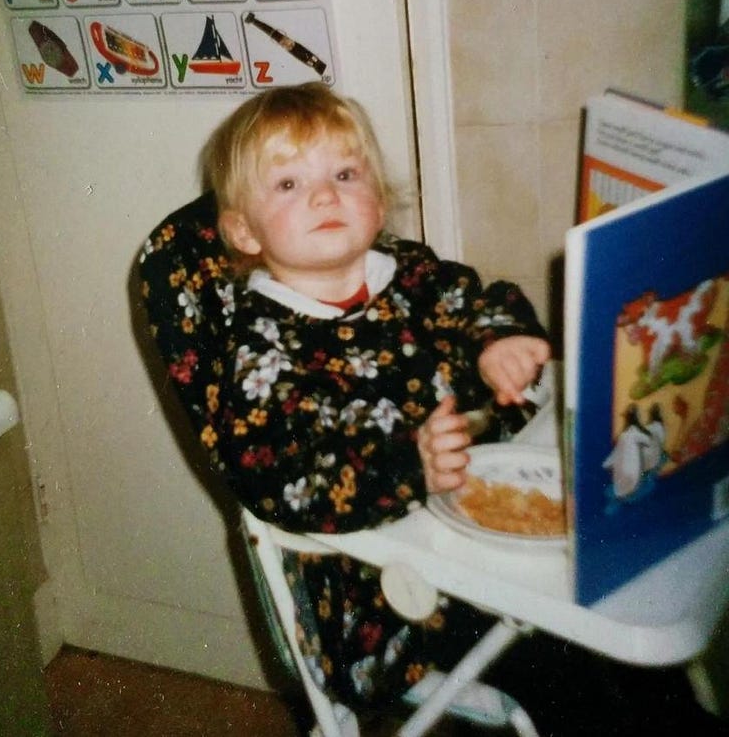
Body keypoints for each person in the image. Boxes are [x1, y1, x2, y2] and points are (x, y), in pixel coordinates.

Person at [138, 82, 550, 715]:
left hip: (477, 539)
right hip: (380, 602)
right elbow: (282, 480)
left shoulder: (410, 274)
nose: (325, 194)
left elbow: (474, 299)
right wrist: (408, 467)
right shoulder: (260, 350)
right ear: (244, 232)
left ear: (378, 203)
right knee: (574, 678)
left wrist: (502, 339)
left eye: (344, 173)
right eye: (288, 185)